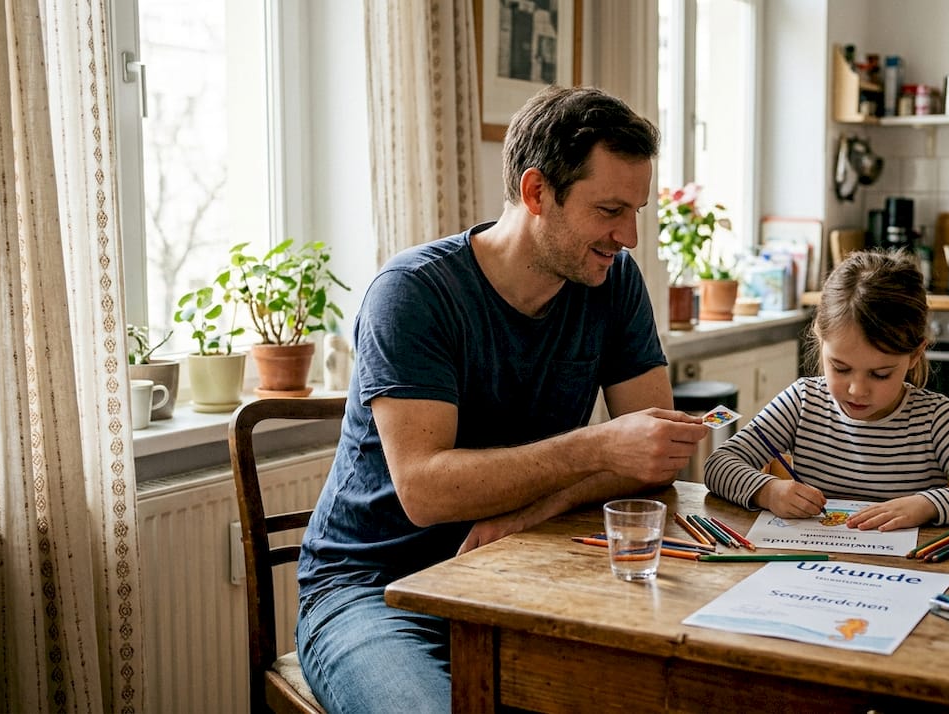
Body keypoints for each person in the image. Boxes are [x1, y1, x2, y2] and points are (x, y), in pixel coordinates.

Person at [295, 85, 710, 712]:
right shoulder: (412, 293)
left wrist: (530, 513)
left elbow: (653, 460)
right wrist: (598, 447)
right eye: (609, 210)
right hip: (377, 590)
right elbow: (427, 491)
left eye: (636, 211)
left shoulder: (611, 280)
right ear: (537, 192)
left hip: (522, 569)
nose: (627, 235)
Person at [704, 249, 949, 531]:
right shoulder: (803, 402)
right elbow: (719, 465)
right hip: (809, 574)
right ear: (821, 340)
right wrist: (769, 491)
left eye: (880, 374)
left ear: (914, 355)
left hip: (903, 579)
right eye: (841, 368)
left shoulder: (932, 419)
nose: (856, 390)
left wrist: (927, 504)